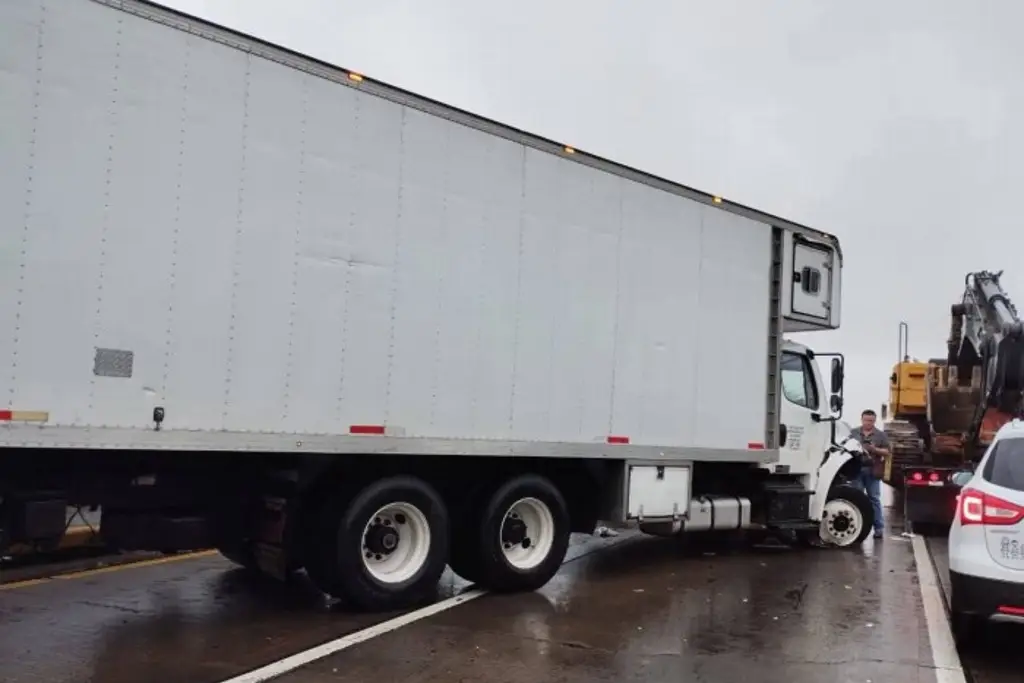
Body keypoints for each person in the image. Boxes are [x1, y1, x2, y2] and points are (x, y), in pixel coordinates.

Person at [848, 409, 891, 539]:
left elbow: (887, 452)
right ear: (862, 420)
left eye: (871, 421)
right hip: (856, 470)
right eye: (866, 420)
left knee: (874, 499)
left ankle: (878, 528)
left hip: (872, 471)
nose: (868, 423)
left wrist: (874, 449)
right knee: (856, 499)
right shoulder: (853, 433)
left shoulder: (880, 435)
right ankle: (856, 528)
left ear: (875, 421)